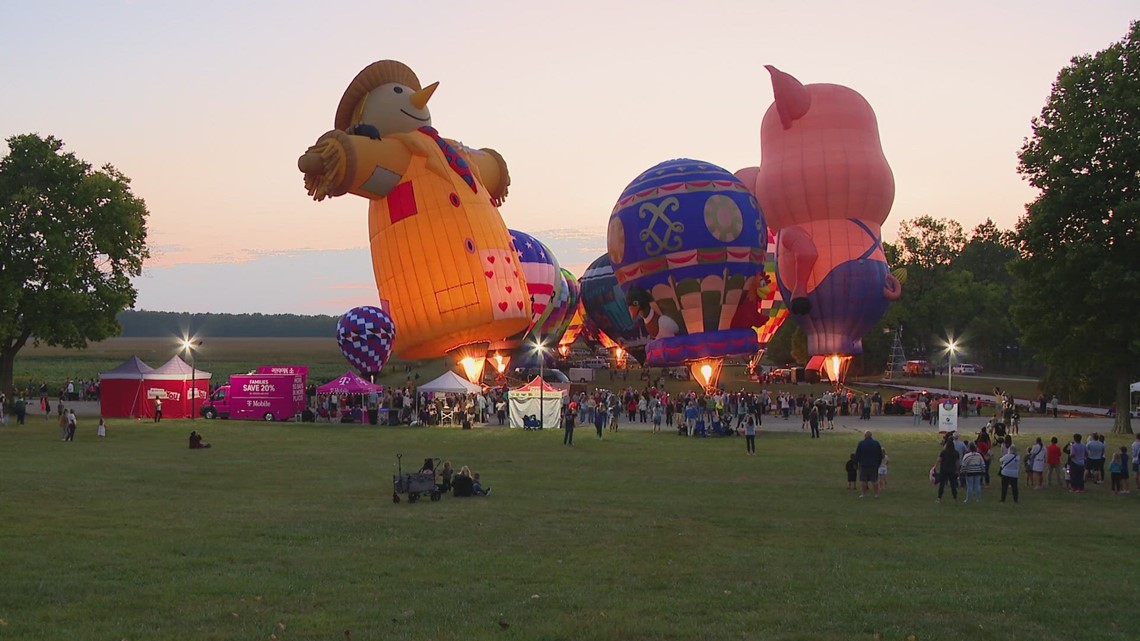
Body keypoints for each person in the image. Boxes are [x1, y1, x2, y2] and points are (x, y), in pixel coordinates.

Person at [854, 431, 883, 498]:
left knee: (863, 480)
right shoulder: (876, 443)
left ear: (865, 436)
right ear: (871, 436)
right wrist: (878, 463)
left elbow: (857, 454)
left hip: (863, 464)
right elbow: (880, 455)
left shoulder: (861, 444)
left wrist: (856, 463)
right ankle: (876, 494)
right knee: (874, 480)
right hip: (874, 464)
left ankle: (863, 494)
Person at [935, 439, 960, 504]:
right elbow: (957, 463)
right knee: (953, 485)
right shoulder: (956, 453)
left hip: (944, 470)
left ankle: (939, 498)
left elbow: (939, 460)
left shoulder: (944, 452)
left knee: (942, 485)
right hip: (952, 470)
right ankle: (955, 499)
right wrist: (957, 470)